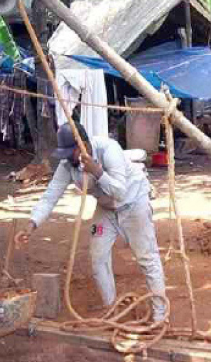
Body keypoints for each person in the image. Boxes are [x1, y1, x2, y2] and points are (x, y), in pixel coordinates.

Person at [16, 122, 168, 321]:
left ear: (84, 144)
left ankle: (160, 316)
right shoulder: (67, 165)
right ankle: (111, 309)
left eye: (70, 152)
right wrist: (32, 224)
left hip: (133, 203)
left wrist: (98, 172)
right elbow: (50, 196)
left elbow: (120, 191)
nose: (67, 158)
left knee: (147, 258)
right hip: (106, 209)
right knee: (98, 257)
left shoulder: (108, 149)